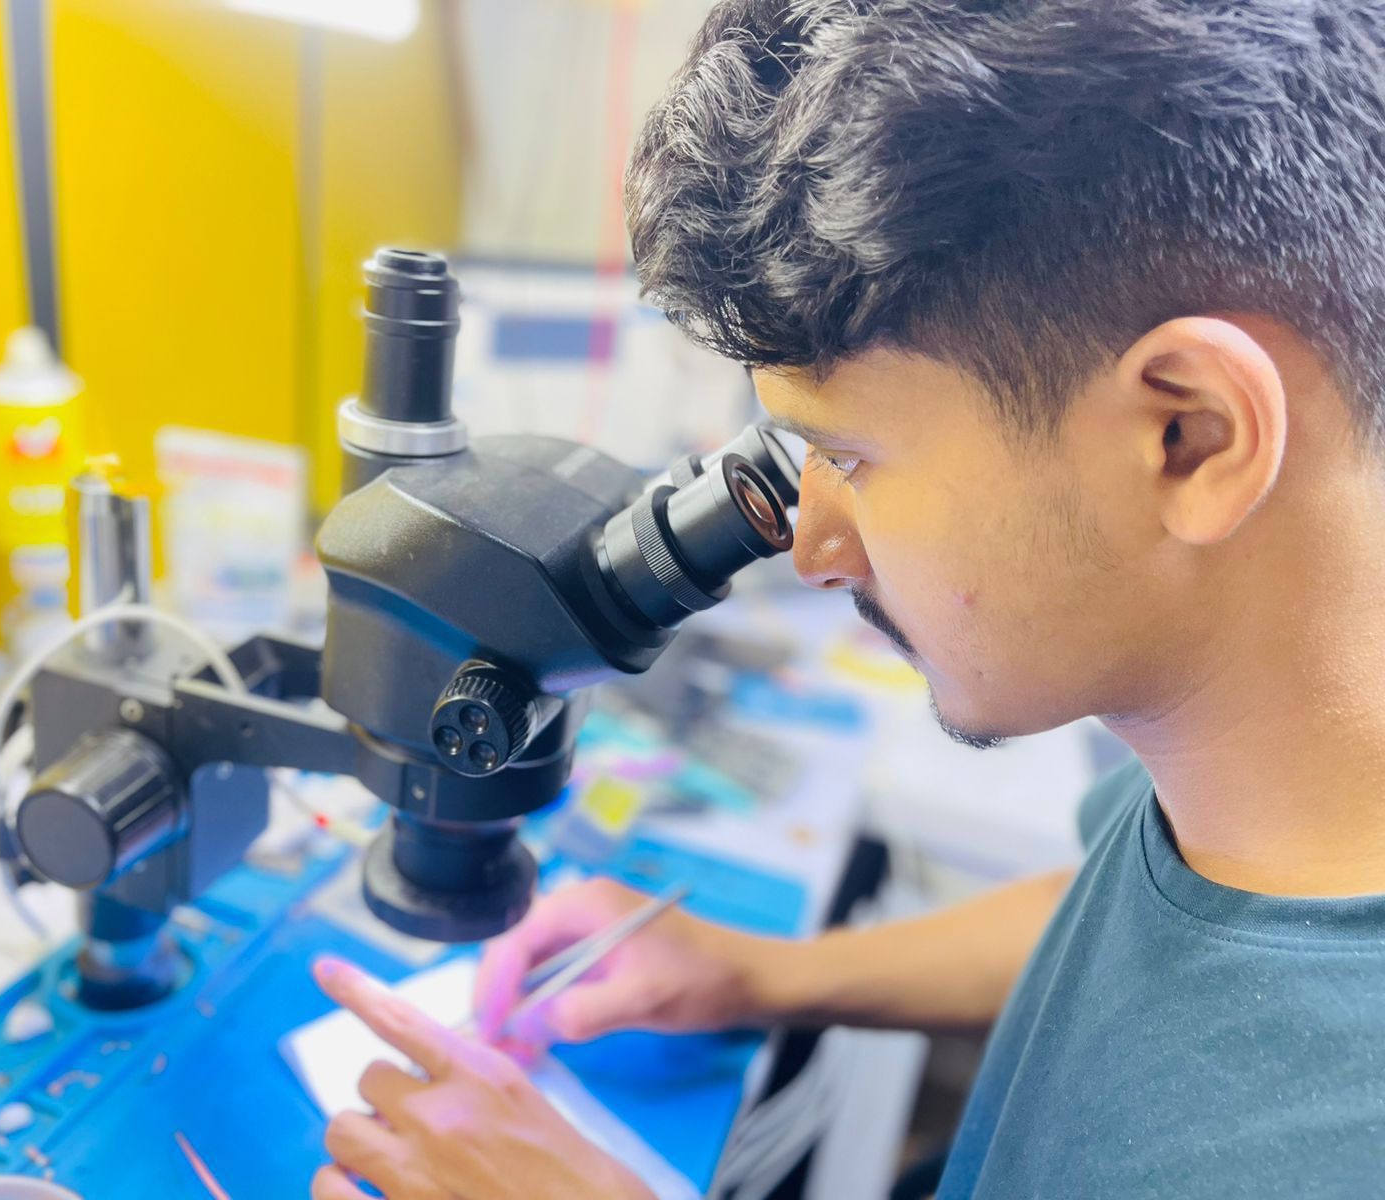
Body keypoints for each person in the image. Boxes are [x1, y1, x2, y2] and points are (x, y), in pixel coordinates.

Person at [310, 2, 1385, 1196]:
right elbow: (1130, 923)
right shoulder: (1257, 796)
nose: (812, 549)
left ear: (1188, 436)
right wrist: (764, 974)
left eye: (850, 458)